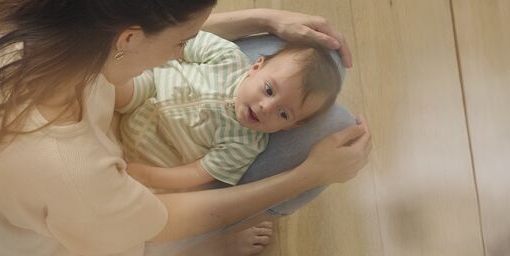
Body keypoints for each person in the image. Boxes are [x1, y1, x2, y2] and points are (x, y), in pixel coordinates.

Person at [0, 0, 372, 256]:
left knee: (285, 55)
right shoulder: (70, 171)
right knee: (329, 125)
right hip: (94, 239)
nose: (180, 51)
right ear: (129, 38)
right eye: (180, 41)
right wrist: (310, 174)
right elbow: (162, 218)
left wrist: (267, 18)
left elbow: (185, 40)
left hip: (94, 169)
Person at [117, 30, 343, 191]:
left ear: (291, 126)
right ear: (256, 66)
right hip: (151, 87)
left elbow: (197, 173)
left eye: (283, 114)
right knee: (119, 87)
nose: (266, 108)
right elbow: (178, 43)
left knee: (137, 203)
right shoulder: (227, 57)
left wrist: (148, 175)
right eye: (268, 89)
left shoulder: (245, 145)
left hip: (157, 153)